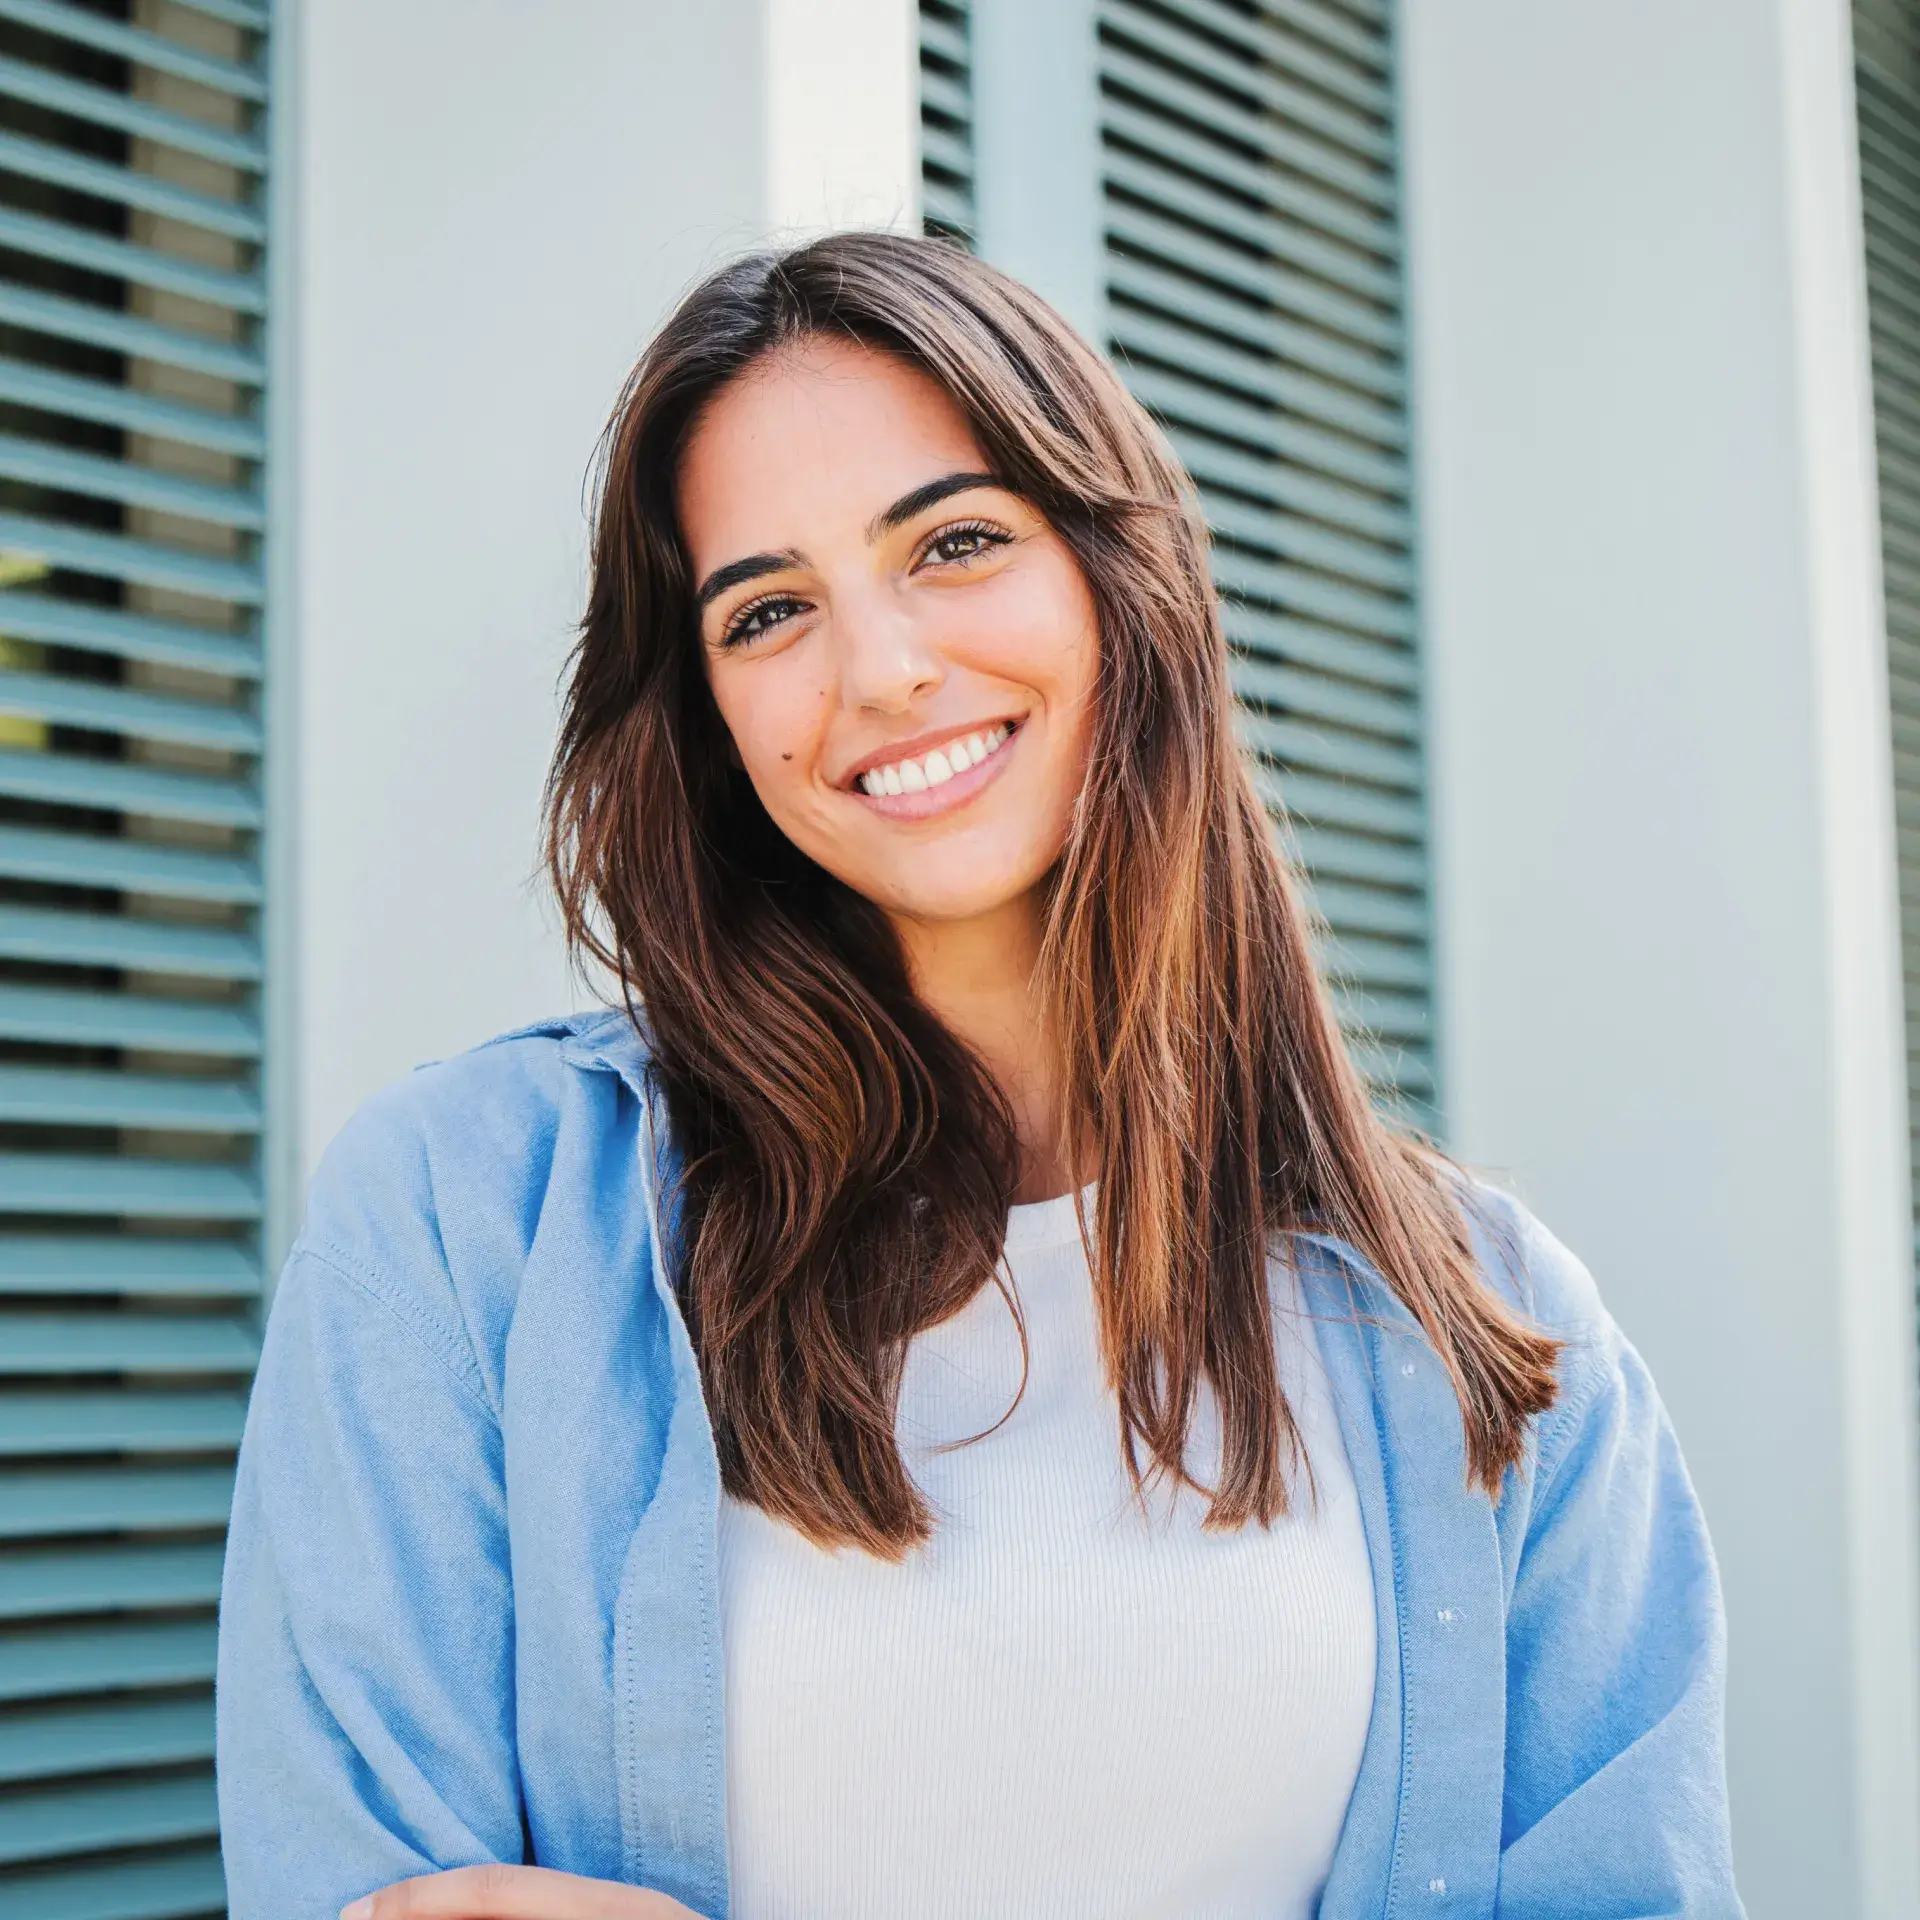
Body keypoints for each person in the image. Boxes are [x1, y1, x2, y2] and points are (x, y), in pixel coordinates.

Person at [215, 232, 1743, 1920]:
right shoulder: (459, 1226)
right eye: (770, 610)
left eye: (954, 542)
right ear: (708, 709)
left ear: (1119, 575)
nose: (878, 672)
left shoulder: (1496, 1335)